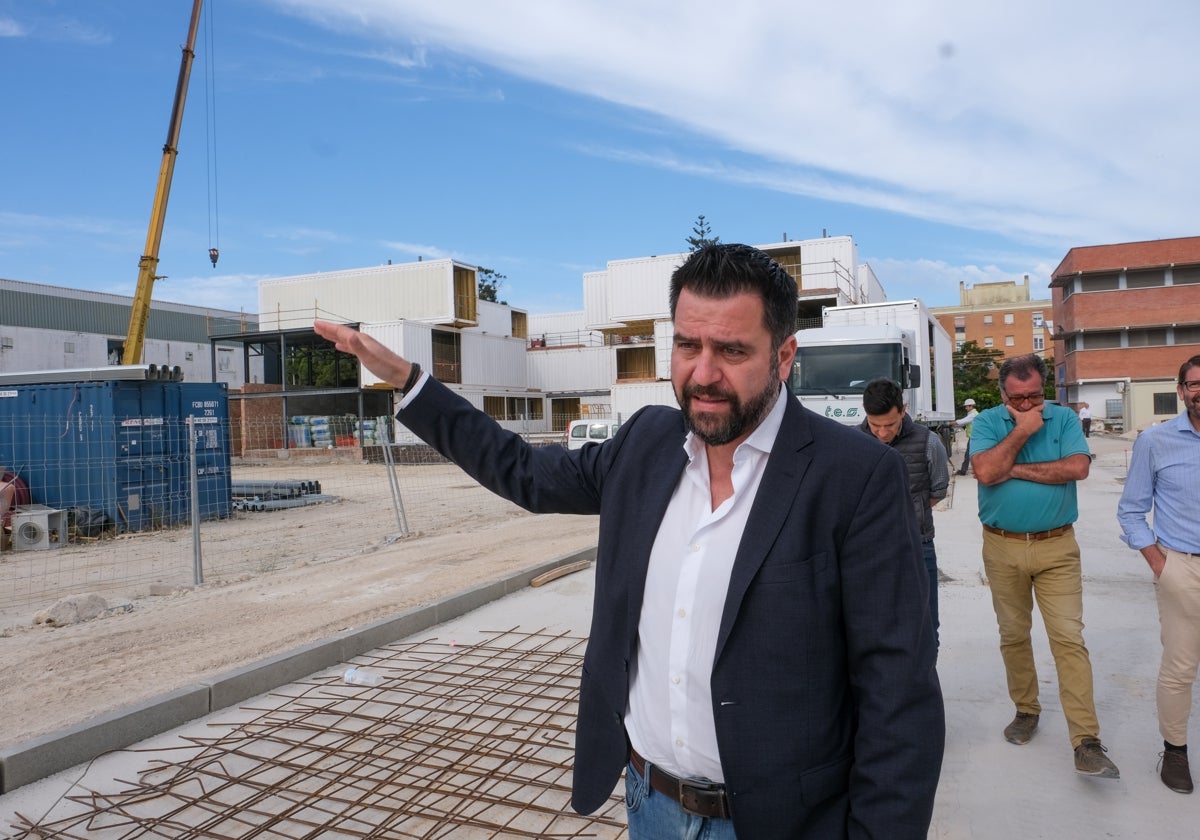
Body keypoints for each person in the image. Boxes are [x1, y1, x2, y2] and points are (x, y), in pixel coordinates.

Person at [315, 244, 945, 838]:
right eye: (687, 345)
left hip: (780, 821)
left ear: (783, 357)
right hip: (650, 805)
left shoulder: (856, 477)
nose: (702, 374)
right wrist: (410, 382)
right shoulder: (646, 445)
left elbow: (898, 692)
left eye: (730, 351)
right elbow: (526, 473)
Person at [970, 353, 1120, 779]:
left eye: (1034, 395)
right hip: (1002, 547)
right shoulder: (985, 423)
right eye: (1017, 399)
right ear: (1003, 394)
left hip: (1057, 547)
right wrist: (1022, 431)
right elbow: (984, 471)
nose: (1027, 404)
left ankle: (1086, 741)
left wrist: (1012, 468)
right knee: (1013, 634)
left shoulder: (1064, 419)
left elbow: (1077, 467)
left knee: (1069, 639)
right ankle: (1026, 710)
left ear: (1045, 390)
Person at [1116, 354, 1200, 794]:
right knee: (1181, 667)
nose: (1199, 390)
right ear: (1182, 389)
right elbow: (1131, 510)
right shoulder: (1157, 441)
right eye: (1193, 383)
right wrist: (1159, 563)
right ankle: (1175, 752)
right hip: (1181, 566)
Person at [859, 378, 949, 648]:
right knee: (870, 625)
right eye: (876, 426)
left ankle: (922, 688)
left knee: (925, 627)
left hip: (917, 545)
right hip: (865, 551)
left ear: (903, 410)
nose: (882, 433)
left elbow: (938, 489)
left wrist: (907, 516)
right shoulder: (852, 441)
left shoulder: (928, 442)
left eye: (890, 425)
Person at [954, 398, 978, 476]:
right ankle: (974, 469)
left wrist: (951, 423)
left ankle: (964, 470)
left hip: (974, 437)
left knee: (968, 454)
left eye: (966, 406)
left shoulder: (972, 414)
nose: (965, 408)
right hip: (974, 437)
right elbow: (964, 423)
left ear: (971, 406)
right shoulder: (973, 413)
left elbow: (963, 421)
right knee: (972, 454)